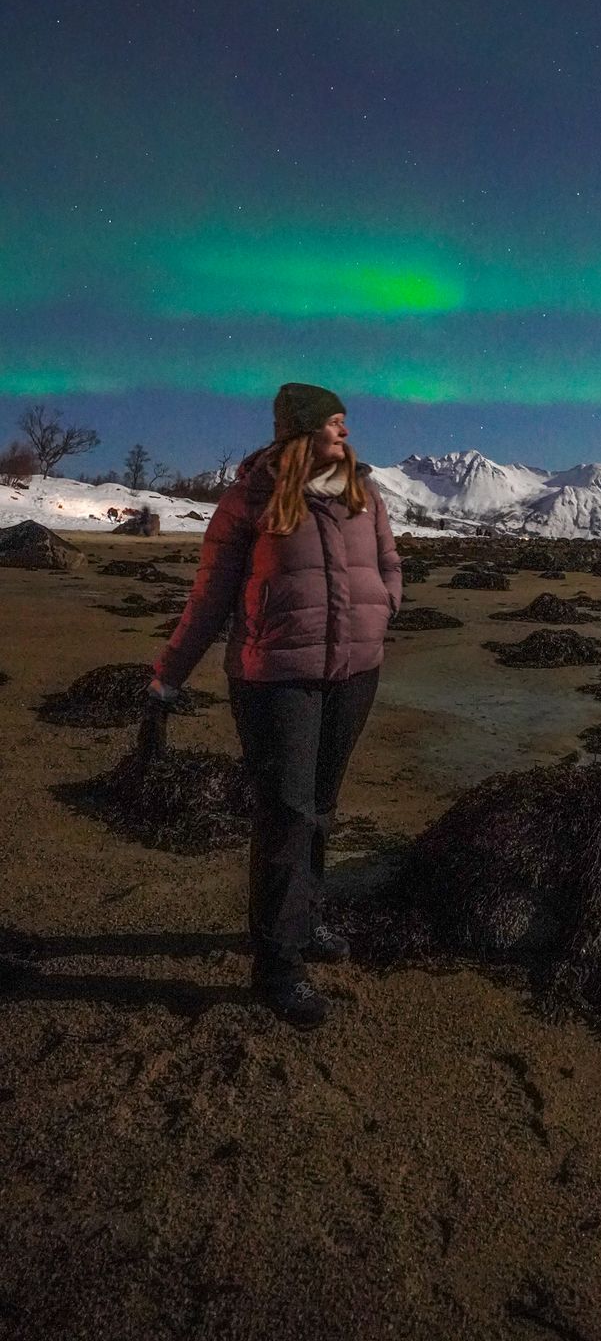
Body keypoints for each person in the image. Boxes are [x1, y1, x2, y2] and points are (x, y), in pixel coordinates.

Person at [148, 383, 402, 1029]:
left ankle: (303, 921)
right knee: (286, 810)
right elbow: (208, 599)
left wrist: (381, 615)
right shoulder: (248, 501)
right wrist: (166, 679)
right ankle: (277, 965)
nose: (346, 433)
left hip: (353, 674)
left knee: (319, 806)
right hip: (274, 679)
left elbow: (389, 565)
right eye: (335, 423)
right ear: (302, 433)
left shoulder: (362, 496)